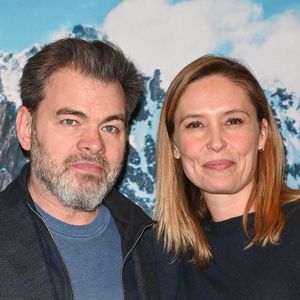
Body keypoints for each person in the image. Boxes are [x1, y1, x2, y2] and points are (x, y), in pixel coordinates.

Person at [0, 38, 161, 300]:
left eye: (110, 127)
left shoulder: (154, 248)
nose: (94, 144)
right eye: (71, 121)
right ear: (27, 128)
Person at [155, 54, 300, 299]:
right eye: (195, 125)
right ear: (175, 146)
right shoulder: (164, 258)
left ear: (262, 134)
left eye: (232, 121)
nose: (216, 142)